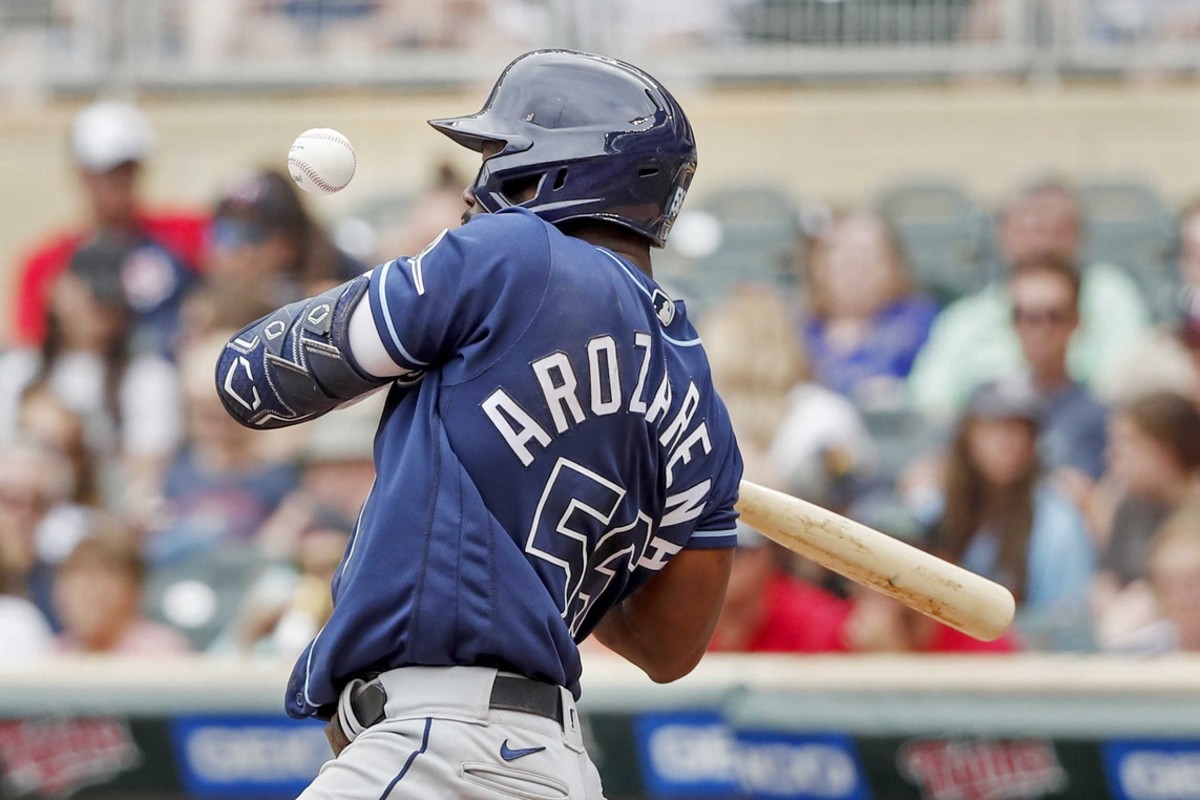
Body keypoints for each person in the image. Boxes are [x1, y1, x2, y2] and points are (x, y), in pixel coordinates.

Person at [214, 49, 742, 798]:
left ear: (555, 170)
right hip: (555, 767)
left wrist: (424, 328)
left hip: (436, 750)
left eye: (499, 154)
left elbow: (249, 379)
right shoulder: (697, 391)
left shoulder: (511, 255)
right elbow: (669, 646)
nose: (478, 182)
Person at [907, 177, 1150, 420]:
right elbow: (932, 402)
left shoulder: (1110, 294)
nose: (1040, 242)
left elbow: (1122, 383)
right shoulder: (966, 317)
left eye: (1054, 230)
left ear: (1079, 236)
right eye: (1027, 229)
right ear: (1002, 236)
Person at [12, 100, 208, 348]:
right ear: (83, 174)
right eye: (110, 172)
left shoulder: (183, 232)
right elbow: (30, 350)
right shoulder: (46, 264)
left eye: (129, 169)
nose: (122, 181)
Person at [931, 380, 1095, 617]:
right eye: (994, 428)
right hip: (947, 645)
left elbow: (1064, 620)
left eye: (1021, 430)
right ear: (968, 437)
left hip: (1024, 646)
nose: (1008, 442)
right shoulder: (935, 511)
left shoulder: (1057, 523)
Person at [799, 210, 939, 406]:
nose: (857, 272)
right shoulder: (796, 333)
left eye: (868, 258)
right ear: (818, 265)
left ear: (894, 266)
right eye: (847, 259)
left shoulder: (922, 326)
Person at [1007, 255, 1109, 485]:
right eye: (1029, 317)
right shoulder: (986, 408)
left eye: (1054, 316)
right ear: (1013, 322)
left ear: (1077, 321)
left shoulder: (1103, 417)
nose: (1042, 330)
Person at [53, 528, 192, 656]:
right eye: (73, 577)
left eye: (97, 578)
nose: (84, 594)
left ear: (133, 588)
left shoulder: (163, 653)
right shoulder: (58, 654)